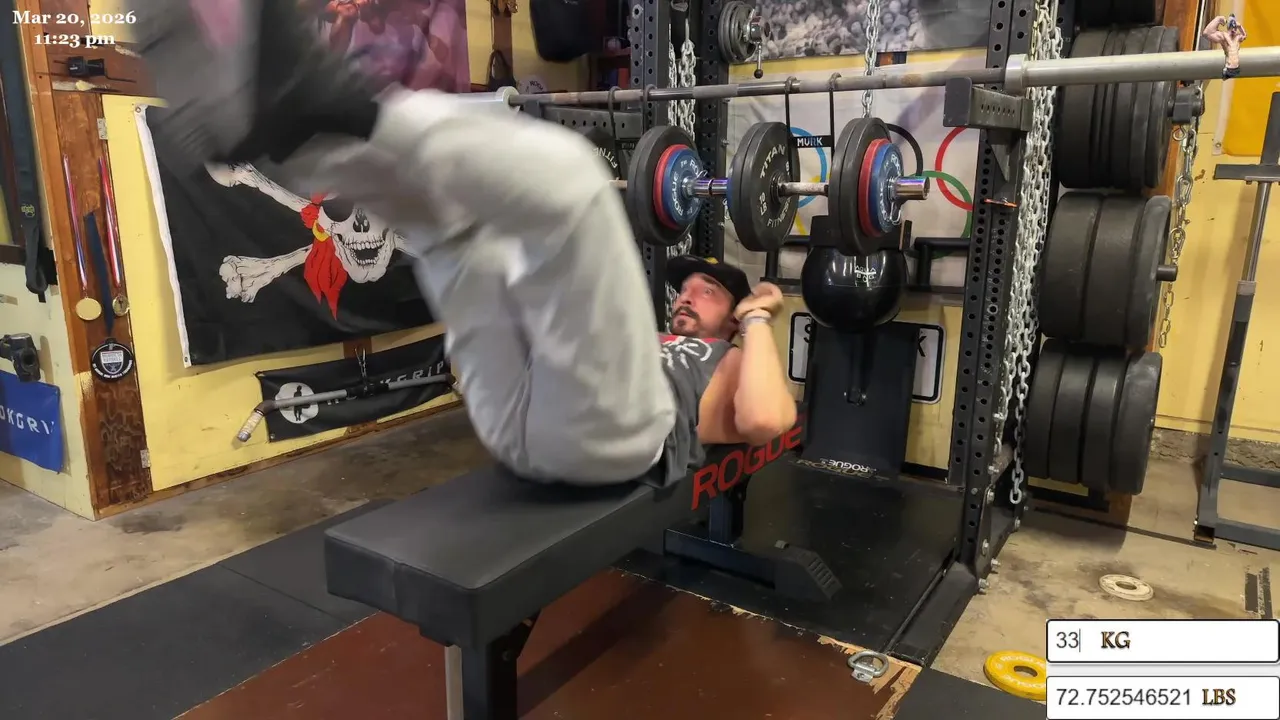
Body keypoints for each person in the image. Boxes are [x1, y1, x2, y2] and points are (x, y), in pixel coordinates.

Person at [128, 0, 797, 487]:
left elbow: (768, 418)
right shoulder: (637, 339)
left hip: (614, 440)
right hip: (518, 412)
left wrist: (759, 316)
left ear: (729, 320)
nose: (688, 296)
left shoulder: (730, 358)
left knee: (574, 185)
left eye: (709, 292)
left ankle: (329, 110)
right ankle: (297, 139)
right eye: (687, 286)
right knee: (458, 232)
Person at [1202, 13, 1248, 79]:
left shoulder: (1236, 37)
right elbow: (1206, 33)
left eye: (1234, 28)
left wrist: (1240, 26)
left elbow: (1244, 35)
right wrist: (1218, 19)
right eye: (1232, 27)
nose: (1233, 30)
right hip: (1230, 68)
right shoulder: (1225, 37)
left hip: (1234, 69)